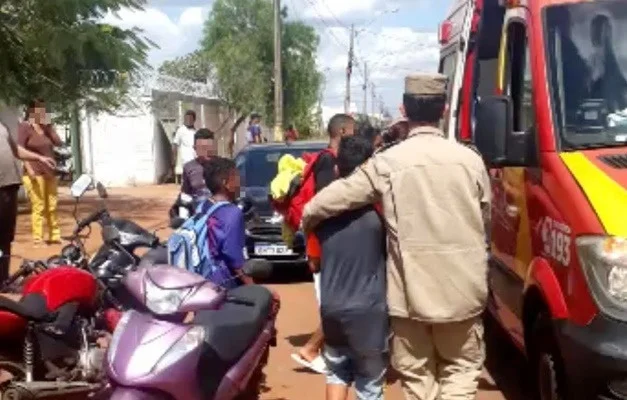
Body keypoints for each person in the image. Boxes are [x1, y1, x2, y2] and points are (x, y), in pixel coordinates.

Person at [302, 73, 491, 400]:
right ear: (444, 109)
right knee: (459, 373)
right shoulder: (471, 161)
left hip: (409, 299)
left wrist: (307, 224)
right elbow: (485, 223)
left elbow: (325, 202)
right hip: (462, 295)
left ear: (404, 109)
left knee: (417, 380)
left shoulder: (387, 162)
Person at [316, 135, 388, 400]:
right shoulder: (378, 215)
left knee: (336, 372)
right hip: (369, 314)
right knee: (370, 384)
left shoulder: (322, 213)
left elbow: (313, 261)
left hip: (332, 309)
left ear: (337, 168)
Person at [291, 113, 356, 375]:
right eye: (352, 130)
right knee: (338, 303)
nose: (354, 135)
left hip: (328, 244)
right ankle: (311, 348)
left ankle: (327, 350)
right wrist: (317, 250)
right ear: (341, 131)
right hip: (326, 245)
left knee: (338, 302)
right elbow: (326, 208)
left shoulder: (328, 160)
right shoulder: (329, 162)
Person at [0, 120, 55, 282]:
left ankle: (3, 280)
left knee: (5, 237)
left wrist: (40, 158)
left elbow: (16, 150)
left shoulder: (2, 125)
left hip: (9, 186)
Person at [18, 99, 64, 247]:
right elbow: (20, 150)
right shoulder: (25, 127)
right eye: (40, 110)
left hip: (49, 171)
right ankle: (38, 238)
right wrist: (29, 168)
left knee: (52, 205)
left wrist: (50, 127)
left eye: (44, 110)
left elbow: (59, 143)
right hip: (34, 172)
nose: (43, 112)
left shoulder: (46, 128)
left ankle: (54, 236)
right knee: (39, 206)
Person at [181, 128, 215, 198]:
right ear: (195, 148)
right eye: (203, 148)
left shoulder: (224, 166)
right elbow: (186, 194)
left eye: (210, 147)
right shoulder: (188, 167)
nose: (207, 151)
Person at [172, 110, 197, 183]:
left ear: (194, 120)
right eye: (187, 119)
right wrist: (174, 159)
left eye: (190, 119)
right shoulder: (181, 130)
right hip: (186, 160)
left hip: (195, 159)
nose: (188, 121)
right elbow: (175, 144)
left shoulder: (195, 131)